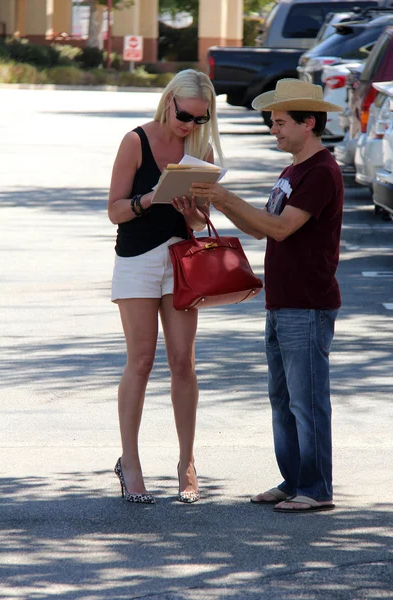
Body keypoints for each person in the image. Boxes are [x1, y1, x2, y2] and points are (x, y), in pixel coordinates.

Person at [191, 79, 343, 513]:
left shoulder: (319, 172)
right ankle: (293, 480)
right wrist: (216, 199)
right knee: (283, 399)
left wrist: (223, 194)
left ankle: (315, 489)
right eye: (271, 122)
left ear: (307, 123)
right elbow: (262, 228)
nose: (272, 130)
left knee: (306, 399)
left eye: (279, 123)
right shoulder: (293, 170)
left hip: (308, 303)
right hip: (283, 302)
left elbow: (279, 228)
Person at [108, 69, 224, 504]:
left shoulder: (200, 148)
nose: (189, 125)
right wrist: (151, 198)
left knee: (183, 362)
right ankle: (131, 463)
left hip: (181, 260)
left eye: (199, 118)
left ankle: (186, 462)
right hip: (137, 261)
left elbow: (199, 221)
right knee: (140, 361)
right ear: (169, 99)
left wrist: (190, 209)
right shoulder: (135, 140)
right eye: (185, 115)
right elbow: (115, 210)